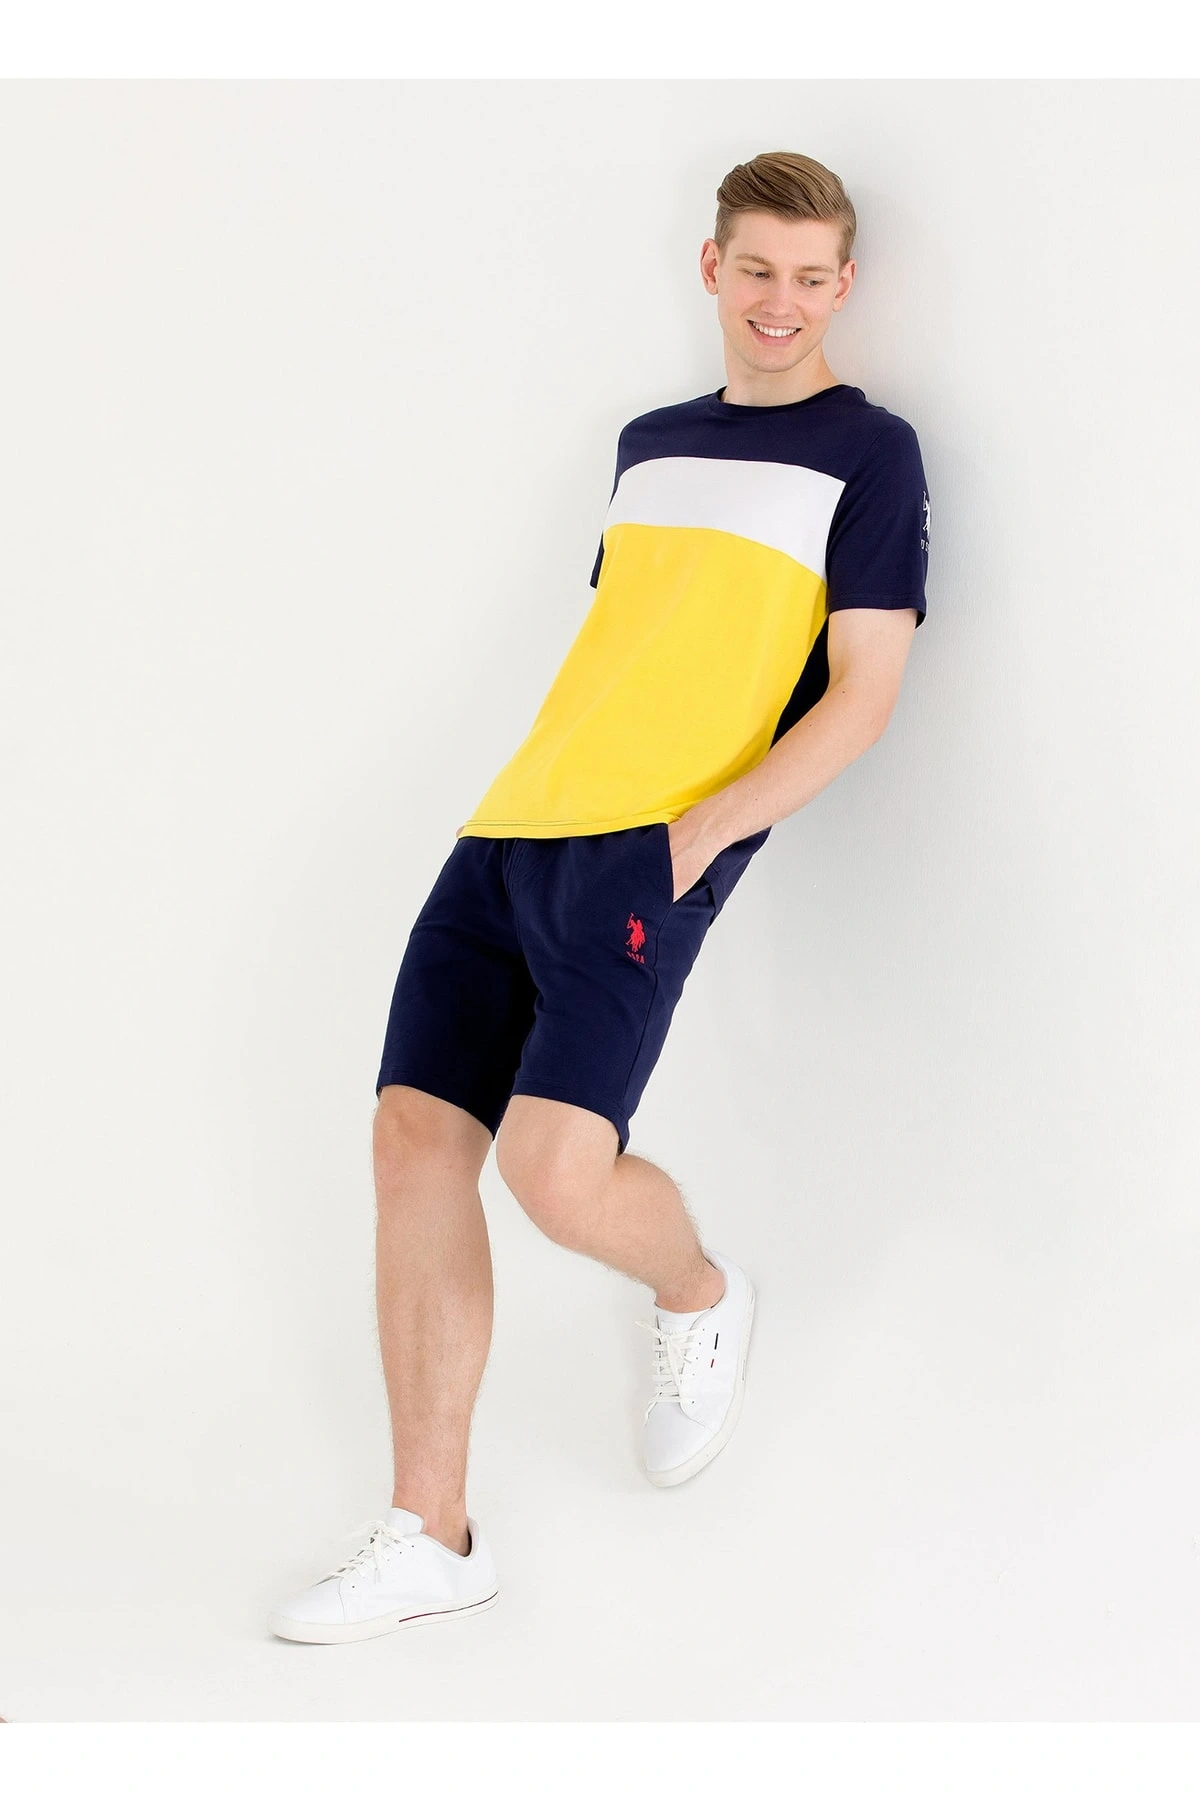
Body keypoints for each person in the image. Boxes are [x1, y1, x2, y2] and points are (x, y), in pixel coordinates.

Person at [270, 149, 930, 1645]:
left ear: (844, 286)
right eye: (754, 269)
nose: (779, 302)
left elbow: (863, 693)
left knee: (556, 1174)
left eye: (809, 278)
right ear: (712, 269)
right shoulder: (648, 443)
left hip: (649, 849)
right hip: (513, 825)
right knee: (412, 1140)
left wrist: (698, 838)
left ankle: (696, 1292)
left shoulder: (871, 453)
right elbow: (633, 652)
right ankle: (432, 1536)